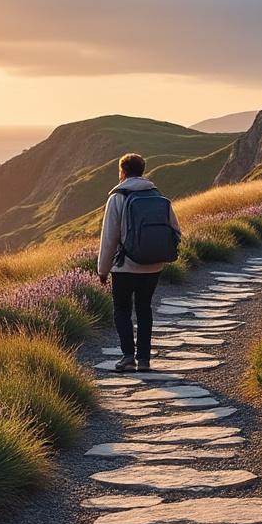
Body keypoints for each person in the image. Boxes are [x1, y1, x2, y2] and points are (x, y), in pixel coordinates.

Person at [97, 153, 181, 372]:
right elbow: (175, 230)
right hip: (153, 265)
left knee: (122, 310)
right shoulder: (157, 195)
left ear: (122, 172)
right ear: (142, 171)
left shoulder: (118, 197)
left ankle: (127, 357)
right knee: (144, 309)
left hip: (124, 265)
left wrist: (103, 270)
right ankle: (144, 359)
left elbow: (109, 238)